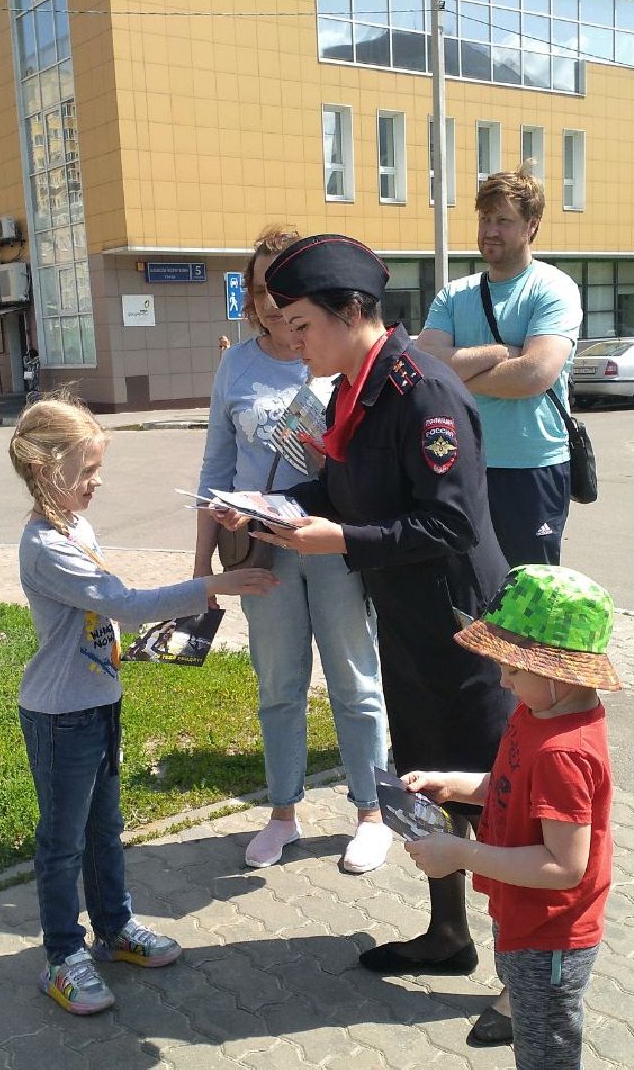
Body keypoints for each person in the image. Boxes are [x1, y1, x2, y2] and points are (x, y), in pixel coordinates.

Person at [215, 233, 516, 978]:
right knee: (418, 780)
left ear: (353, 312)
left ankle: (525, 976)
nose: (292, 341)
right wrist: (267, 513)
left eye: (303, 326)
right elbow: (342, 488)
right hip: (408, 623)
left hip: (461, 628)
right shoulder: (354, 388)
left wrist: (339, 538)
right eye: (285, 328)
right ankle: (449, 934)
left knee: (489, 796)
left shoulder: (424, 391)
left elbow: (453, 524)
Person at [8, 390, 277, 1016]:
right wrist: (213, 584)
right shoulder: (45, 545)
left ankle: (114, 929)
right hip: (59, 713)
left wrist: (137, 645)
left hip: (98, 700)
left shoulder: (75, 526)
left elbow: (106, 617)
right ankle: (62, 956)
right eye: (87, 471)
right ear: (49, 469)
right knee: (62, 840)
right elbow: (123, 601)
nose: (97, 482)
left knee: (105, 828)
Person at [195, 224, 391, 873]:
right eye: (260, 290)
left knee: (355, 682)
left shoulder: (341, 355)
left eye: (285, 289)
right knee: (278, 686)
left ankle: (371, 812)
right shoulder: (237, 364)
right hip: (260, 553)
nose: (274, 304)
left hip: (333, 544)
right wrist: (202, 569)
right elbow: (215, 464)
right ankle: (283, 813)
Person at [404, 564, 620, 1070]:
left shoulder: (564, 753)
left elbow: (565, 866)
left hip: (551, 937)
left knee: (546, 1053)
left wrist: (460, 852)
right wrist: (455, 785)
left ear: (557, 672)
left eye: (512, 667)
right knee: (530, 1028)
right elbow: (509, 788)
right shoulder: (536, 713)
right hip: (520, 915)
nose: (501, 678)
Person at [417, 169, 583, 566]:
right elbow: (426, 367)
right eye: (485, 219)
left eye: (503, 220)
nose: (490, 230)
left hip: (532, 466)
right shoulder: (455, 295)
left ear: (531, 225)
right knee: (470, 592)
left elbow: (534, 375)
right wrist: (502, 352)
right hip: (461, 465)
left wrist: (457, 372)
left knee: (529, 591)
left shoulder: (553, 288)